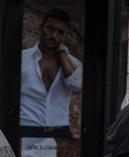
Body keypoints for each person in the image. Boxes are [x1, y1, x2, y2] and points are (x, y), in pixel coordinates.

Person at [20, 8, 82, 139]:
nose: (54, 35)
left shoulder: (73, 64)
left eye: (60, 32)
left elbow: (77, 86)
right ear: (41, 27)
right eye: (50, 28)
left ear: (65, 35)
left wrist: (62, 54)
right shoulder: (22, 59)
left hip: (60, 130)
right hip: (27, 129)